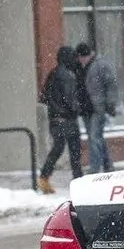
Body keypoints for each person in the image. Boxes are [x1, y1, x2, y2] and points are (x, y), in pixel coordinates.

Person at [39, 46, 84, 193]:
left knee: (57, 148)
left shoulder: (53, 73)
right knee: (75, 152)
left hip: (54, 119)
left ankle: (44, 177)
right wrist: (79, 108)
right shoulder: (68, 76)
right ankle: (79, 182)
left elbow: (43, 97)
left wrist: (54, 108)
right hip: (68, 119)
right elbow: (71, 100)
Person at [75, 42, 118, 173]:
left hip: (97, 108)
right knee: (96, 137)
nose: (81, 60)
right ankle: (108, 165)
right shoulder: (80, 66)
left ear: (88, 55)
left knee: (94, 137)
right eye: (79, 58)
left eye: (83, 57)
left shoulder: (100, 65)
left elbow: (111, 85)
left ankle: (94, 169)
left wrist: (110, 104)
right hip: (86, 108)